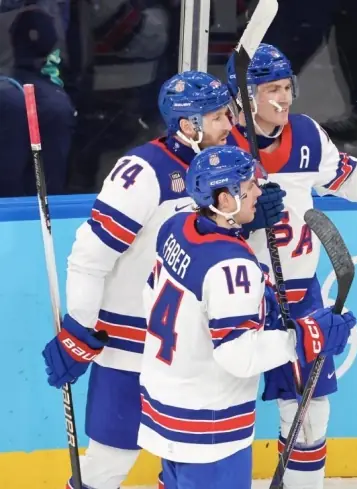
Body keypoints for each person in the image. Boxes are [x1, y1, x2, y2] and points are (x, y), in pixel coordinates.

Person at [39, 71, 283, 489]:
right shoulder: (143, 170)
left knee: (181, 473)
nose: (231, 125)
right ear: (189, 125)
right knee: (105, 467)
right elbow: (89, 255)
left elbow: (219, 256)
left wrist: (251, 224)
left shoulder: (229, 169)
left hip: (185, 361)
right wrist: (80, 325)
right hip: (128, 353)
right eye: (220, 116)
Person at [224, 42, 357, 489]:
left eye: (286, 87)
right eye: (269, 89)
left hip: (298, 293)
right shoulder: (220, 146)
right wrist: (240, 223)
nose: (283, 98)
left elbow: (346, 177)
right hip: (234, 298)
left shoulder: (307, 134)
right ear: (242, 96)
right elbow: (191, 220)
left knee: (310, 414)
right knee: (222, 414)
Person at [137, 145, 357, 489]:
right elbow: (237, 356)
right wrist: (307, 336)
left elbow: (153, 296)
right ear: (225, 200)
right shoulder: (233, 267)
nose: (259, 190)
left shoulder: (176, 226)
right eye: (248, 185)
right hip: (210, 424)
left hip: (165, 404)